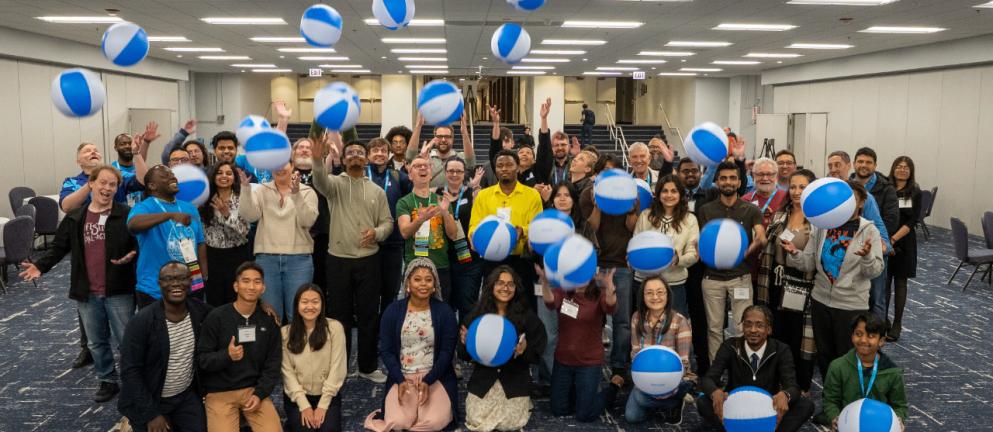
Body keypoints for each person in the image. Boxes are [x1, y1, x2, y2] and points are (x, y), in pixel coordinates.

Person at [20, 165, 137, 402]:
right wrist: (41, 266)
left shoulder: (126, 214)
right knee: (96, 341)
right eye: (102, 182)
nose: (107, 188)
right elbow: (58, 246)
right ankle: (108, 380)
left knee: (127, 340)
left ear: (117, 188)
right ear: (91, 184)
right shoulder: (76, 217)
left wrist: (133, 253)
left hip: (119, 289)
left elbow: (139, 242)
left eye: (112, 184)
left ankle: (135, 382)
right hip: (87, 291)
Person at [310, 133, 394, 383]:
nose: (356, 156)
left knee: (369, 315)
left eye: (360, 153)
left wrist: (377, 233)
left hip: (369, 260)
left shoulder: (377, 191)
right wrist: (317, 158)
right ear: (343, 160)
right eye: (351, 154)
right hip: (338, 261)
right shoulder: (334, 185)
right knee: (338, 318)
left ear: (367, 159)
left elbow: (388, 223)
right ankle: (340, 368)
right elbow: (319, 181)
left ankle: (367, 367)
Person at [783, 181, 884, 387]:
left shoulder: (868, 231)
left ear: (861, 203)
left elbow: (875, 271)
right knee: (825, 356)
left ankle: (847, 403)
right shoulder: (823, 226)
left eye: (852, 200)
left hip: (850, 305)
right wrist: (795, 254)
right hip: (820, 300)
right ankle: (830, 400)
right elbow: (810, 262)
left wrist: (866, 257)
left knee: (846, 358)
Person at [365, 258, 459, 431]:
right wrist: (399, 379)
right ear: (408, 282)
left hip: (435, 377)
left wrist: (429, 379)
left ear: (434, 285)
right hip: (403, 377)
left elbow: (447, 352)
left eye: (428, 279)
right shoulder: (393, 311)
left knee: (433, 422)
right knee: (398, 422)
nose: (423, 284)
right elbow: (386, 351)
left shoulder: (444, 312)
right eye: (417, 279)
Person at [118, 262, 212, 432]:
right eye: (169, 279)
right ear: (160, 283)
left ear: (191, 282)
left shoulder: (199, 311)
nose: (176, 283)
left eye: (182, 278)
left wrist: (259, 305)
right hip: (151, 399)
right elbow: (129, 371)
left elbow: (229, 314)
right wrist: (151, 414)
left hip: (184, 397)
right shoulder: (141, 322)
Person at [698, 305, 815, 431]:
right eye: (748, 324)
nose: (753, 330)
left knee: (805, 405)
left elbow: (793, 386)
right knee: (703, 402)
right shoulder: (730, 346)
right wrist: (714, 392)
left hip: (768, 408)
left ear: (769, 329)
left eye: (759, 325)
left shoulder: (781, 349)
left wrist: (785, 395)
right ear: (743, 327)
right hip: (736, 407)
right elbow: (708, 379)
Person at [197, 261, 283, 431]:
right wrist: (226, 356)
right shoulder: (217, 317)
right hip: (220, 393)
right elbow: (202, 360)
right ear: (236, 286)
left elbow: (273, 364)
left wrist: (260, 394)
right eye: (245, 281)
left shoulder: (269, 321)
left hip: (253, 391)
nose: (251, 286)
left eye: (257, 282)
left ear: (263, 288)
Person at [459, 266, 547, 432]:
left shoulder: (527, 316)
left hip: (514, 381)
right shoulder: (477, 315)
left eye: (510, 284)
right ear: (491, 286)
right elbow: (462, 355)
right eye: (500, 283)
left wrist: (524, 352)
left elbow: (538, 350)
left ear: (516, 288)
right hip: (483, 380)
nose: (505, 288)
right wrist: (464, 343)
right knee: (477, 419)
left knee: (510, 423)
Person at [695, 160, 767, 361]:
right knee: (714, 329)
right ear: (716, 181)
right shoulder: (706, 210)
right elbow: (699, 240)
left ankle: (740, 370)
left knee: (742, 328)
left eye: (732, 178)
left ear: (739, 181)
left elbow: (761, 236)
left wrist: (755, 244)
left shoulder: (751, 210)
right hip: (712, 279)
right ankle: (716, 374)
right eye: (723, 178)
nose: (728, 182)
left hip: (740, 277)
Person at [755, 169, 818, 394]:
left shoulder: (819, 221)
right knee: (778, 333)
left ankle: (800, 385)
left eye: (802, 187)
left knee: (800, 336)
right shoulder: (780, 215)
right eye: (793, 187)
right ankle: (776, 380)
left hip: (804, 285)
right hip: (776, 282)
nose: (796, 192)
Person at [579, 154, 638, 382]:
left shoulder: (628, 192)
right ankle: (591, 361)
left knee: (621, 320)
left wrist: (632, 211)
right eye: (605, 172)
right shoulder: (588, 193)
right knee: (592, 317)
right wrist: (598, 204)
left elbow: (631, 227)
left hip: (621, 265)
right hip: (594, 263)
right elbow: (592, 226)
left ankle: (619, 366)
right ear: (597, 174)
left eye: (614, 172)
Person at [239, 161, 318, 323]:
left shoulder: (307, 191)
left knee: (298, 313)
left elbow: (307, 221)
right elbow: (250, 216)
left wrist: (296, 195)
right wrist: (245, 189)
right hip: (267, 259)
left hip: (299, 260)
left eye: (284, 164)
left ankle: (296, 348)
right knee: (271, 315)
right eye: (276, 163)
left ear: (292, 166)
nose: (280, 168)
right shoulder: (261, 189)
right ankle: (274, 349)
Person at [538, 266, 619, 422]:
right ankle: (579, 392)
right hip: (563, 361)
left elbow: (611, 307)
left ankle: (613, 388)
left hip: (589, 363)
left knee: (585, 415)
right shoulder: (562, 292)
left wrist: (610, 287)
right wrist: (545, 284)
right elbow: (549, 302)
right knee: (558, 410)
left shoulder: (599, 295)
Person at [468, 149, 544, 310]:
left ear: (517, 167)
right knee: (491, 307)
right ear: (495, 169)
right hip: (491, 261)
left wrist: (522, 230)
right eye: (500, 165)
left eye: (509, 164)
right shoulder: (483, 195)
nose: (504, 168)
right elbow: (474, 225)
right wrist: (474, 236)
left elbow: (538, 227)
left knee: (523, 307)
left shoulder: (532, 195)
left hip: (521, 261)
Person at [128, 165, 208, 307]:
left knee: (191, 328)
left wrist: (204, 274)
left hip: (191, 285)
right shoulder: (144, 207)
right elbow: (133, 225)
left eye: (172, 174)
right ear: (152, 186)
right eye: (165, 176)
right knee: (157, 329)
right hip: (155, 289)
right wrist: (169, 215)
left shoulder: (189, 208)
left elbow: (200, 242)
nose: (173, 177)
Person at [826, 151, 892, 314]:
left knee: (876, 299)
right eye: (830, 166)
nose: (833, 169)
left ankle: (877, 335)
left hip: (867, 255)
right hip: (838, 258)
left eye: (838, 165)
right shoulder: (826, 193)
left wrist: (882, 248)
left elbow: (878, 226)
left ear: (849, 166)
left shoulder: (863, 196)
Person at [625, 277, 694, 425]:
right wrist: (648, 383)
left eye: (660, 292)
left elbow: (684, 362)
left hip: (672, 379)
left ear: (667, 295)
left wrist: (666, 385)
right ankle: (664, 404)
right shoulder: (636, 318)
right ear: (643, 296)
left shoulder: (680, 321)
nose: (655, 297)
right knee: (632, 417)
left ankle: (674, 401)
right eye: (649, 293)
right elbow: (635, 355)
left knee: (684, 383)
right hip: (645, 379)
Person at [822, 313, 907, 430]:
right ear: (852, 336)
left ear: (881, 341)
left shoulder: (892, 372)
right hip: (847, 425)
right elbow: (830, 400)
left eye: (871, 336)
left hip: (879, 425)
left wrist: (899, 419)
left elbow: (900, 405)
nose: (863, 340)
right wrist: (834, 417)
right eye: (858, 334)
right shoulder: (838, 366)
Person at [281, 284, 347, 432]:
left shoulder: (335, 328)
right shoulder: (285, 333)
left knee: (328, 429)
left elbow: (338, 368)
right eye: (304, 302)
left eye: (315, 302)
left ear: (322, 304)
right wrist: (304, 406)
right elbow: (287, 374)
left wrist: (323, 406)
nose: (310, 306)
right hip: (297, 396)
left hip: (327, 395)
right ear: (297, 304)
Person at [633, 175, 700, 318]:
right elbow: (635, 243)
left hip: (674, 284)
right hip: (645, 283)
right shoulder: (645, 216)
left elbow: (693, 253)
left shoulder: (690, 219)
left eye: (674, 191)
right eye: (664, 191)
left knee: (675, 327)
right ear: (657, 194)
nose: (669, 195)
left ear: (681, 194)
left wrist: (677, 260)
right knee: (644, 325)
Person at [397, 156, 461, 300]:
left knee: (442, 312)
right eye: (417, 166)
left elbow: (453, 235)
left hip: (440, 266)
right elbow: (405, 232)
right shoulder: (404, 202)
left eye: (426, 166)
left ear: (431, 174)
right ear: (410, 175)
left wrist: (444, 212)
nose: (423, 168)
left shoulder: (441, 200)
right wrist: (421, 219)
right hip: (415, 268)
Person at [366, 137, 414, 313]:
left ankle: (386, 329)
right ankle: (369, 332)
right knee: (368, 291)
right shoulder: (361, 175)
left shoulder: (397, 176)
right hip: (366, 243)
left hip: (393, 244)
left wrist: (413, 175)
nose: (380, 154)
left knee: (390, 292)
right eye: (375, 151)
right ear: (368, 155)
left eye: (383, 151)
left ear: (389, 154)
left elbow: (412, 196)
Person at [852, 147, 899, 322]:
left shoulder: (886, 188)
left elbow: (891, 220)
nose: (864, 165)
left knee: (877, 297)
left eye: (868, 162)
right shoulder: (847, 185)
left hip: (877, 245)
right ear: (854, 164)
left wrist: (875, 241)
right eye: (860, 161)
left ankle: (878, 335)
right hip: (853, 250)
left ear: (875, 165)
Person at [200, 161, 252, 307]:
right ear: (213, 176)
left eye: (228, 173)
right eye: (219, 173)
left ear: (234, 178)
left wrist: (226, 215)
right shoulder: (204, 199)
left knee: (236, 298)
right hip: (212, 257)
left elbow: (245, 231)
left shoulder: (242, 198)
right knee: (214, 300)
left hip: (237, 255)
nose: (224, 176)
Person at [438, 157, 485, 321]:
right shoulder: (436, 194)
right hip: (444, 261)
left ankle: (463, 345)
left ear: (464, 173)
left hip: (469, 262)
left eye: (458, 171)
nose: (454, 174)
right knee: (445, 307)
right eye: (451, 171)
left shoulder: (473, 194)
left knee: (467, 305)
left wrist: (478, 189)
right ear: (445, 173)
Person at [884, 157, 919, 342]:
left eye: (906, 167)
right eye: (899, 166)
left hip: (904, 242)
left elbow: (913, 221)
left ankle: (897, 324)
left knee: (900, 283)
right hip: (884, 239)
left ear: (911, 171)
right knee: (884, 283)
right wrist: (886, 239)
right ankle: (883, 321)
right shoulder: (886, 188)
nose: (902, 170)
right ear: (893, 168)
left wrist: (894, 239)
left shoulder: (914, 191)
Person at [290, 138, 332, 291]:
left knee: (321, 279)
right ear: (293, 153)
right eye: (300, 147)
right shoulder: (284, 174)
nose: (304, 150)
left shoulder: (323, 173)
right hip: (294, 236)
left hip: (321, 235)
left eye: (308, 147)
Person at [61, 140, 148, 213]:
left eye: (96, 150)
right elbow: (66, 207)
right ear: (78, 161)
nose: (93, 152)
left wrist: (136, 153)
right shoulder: (71, 181)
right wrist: (91, 184)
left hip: (117, 226)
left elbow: (143, 181)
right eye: (87, 151)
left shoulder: (117, 174)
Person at [406, 112, 476, 188]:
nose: (443, 140)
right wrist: (418, 126)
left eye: (447, 136)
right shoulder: (425, 157)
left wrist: (464, 132)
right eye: (440, 136)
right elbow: (410, 157)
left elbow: (471, 163)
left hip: (454, 199)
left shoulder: (459, 158)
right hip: (430, 199)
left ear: (452, 139)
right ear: (434, 138)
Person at [112, 125, 159, 206]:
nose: (127, 146)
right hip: (123, 213)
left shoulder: (138, 166)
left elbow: (141, 164)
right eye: (123, 144)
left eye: (130, 143)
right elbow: (139, 178)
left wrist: (146, 142)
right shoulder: (112, 169)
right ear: (116, 148)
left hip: (142, 210)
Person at [534, 99, 574, 186]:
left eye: (563, 144)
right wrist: (543, 119)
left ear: (569, 146)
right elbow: (544, 142)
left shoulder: (574, 164)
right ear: (551, 148)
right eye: (556, 145)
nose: (560, 148)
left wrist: (577, 155)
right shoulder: (546, 163)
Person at [743, 157, 789, 229]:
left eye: (769, 174)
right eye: (760, 174)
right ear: (753, 176)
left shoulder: (786, 198)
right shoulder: (745, 200)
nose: (765, 178)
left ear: (776, 176)